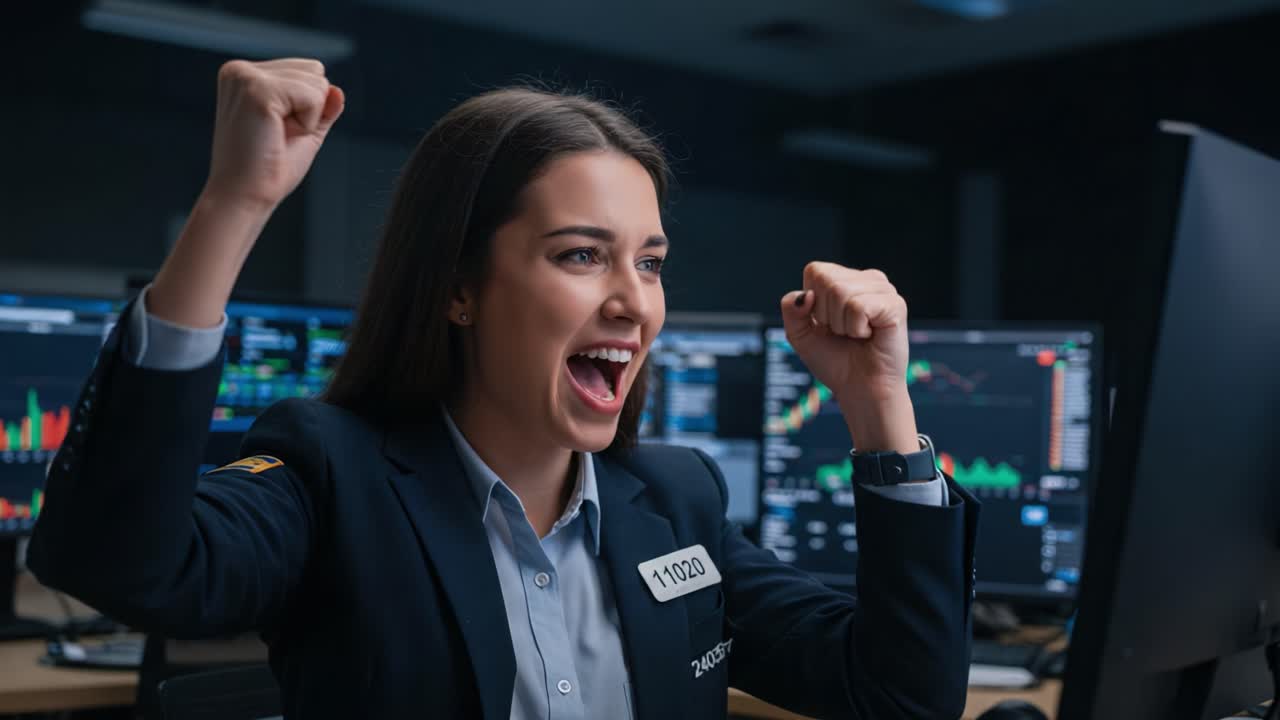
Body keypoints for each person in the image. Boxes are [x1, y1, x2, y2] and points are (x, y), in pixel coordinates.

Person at [27, 58, 978, 719]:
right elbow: (120, 563)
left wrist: (876, 407)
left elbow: (900, 694)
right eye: (580, 255)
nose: (632, 302)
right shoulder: (334, 472)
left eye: (649, 263)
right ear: (457, 287)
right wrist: (234, 206)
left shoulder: (677, 503)